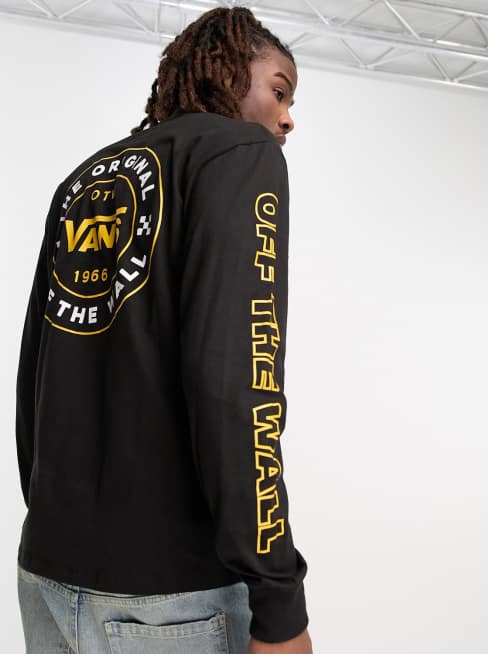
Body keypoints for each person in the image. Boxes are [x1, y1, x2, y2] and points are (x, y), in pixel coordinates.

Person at [15, 6, 313, 654]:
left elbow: (35, 371)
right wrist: (278, 599)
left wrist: (52, 523)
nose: (287, 117)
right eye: (280, 90)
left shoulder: (84, 179)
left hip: (46, 574)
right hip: (173, 597)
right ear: (227, 71)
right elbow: (240, 384)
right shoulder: (240, 153)